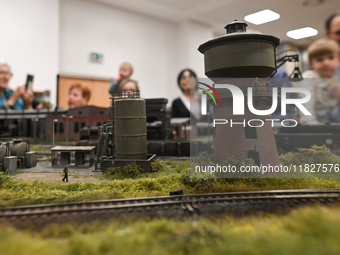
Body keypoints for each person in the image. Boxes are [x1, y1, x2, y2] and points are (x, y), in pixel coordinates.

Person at [300, 38, 340, 124]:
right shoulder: (309, 78)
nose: (326, 63)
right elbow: (306, 107)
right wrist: (312, 125)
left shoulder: (336, 80)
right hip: (316, 125)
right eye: (320, 59)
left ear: (338, 60)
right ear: (310, 63)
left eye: (331, 58)